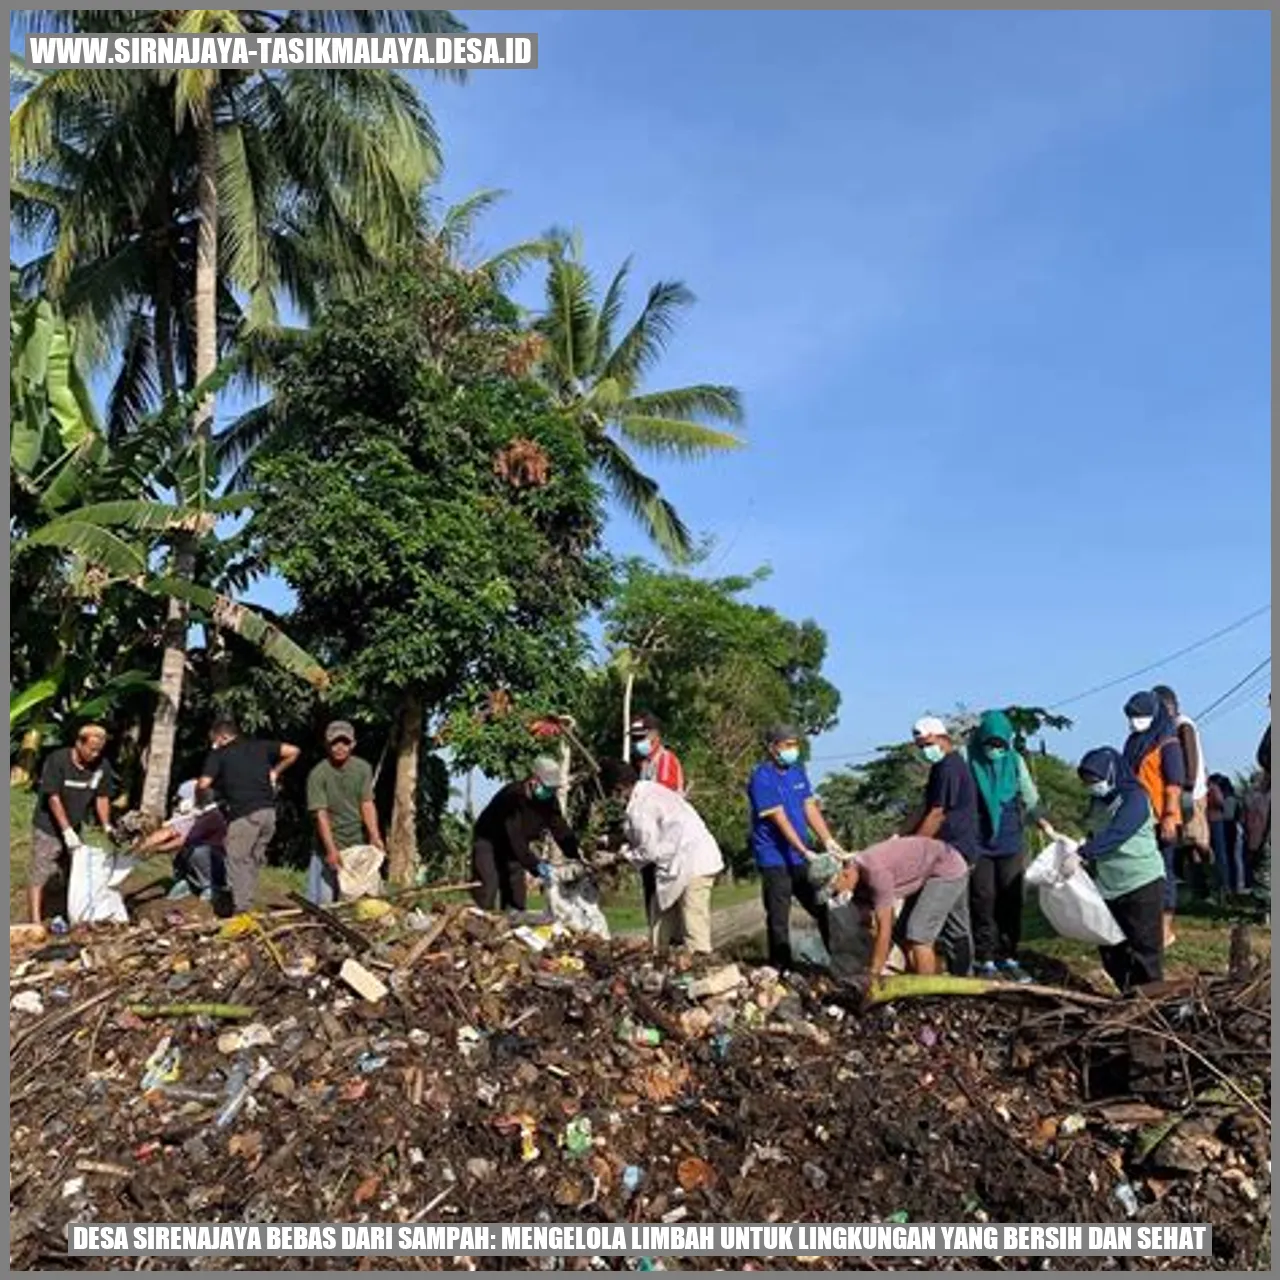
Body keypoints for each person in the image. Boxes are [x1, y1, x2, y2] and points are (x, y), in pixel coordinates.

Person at [1067, 747, 1166, 992]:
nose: (1093, 786)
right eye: (1088, 782)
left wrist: (1083, 853)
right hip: (1108, 886)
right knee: (1111, 947)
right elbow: (1096, 832)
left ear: (1111, 773)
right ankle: (1127, 993)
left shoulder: (1135, 799)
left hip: (1141, 883)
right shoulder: (1098, 801)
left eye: (1096, 780)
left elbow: (1118, 833)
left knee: (1144, 948)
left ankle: (1152, 999)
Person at [963, 710, 1052, 983]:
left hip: (1010, 841)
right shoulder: (968, 759)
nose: (995, 750)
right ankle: (985, 957)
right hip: (979, 842)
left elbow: (1030, 797)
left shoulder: (1015, 762)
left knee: (1011, 898)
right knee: (983, 898)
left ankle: (1009, 955)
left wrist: (1046, 827)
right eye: (991, 744)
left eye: (1000, 744)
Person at [600, 759, 723, 954]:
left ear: (618, 788)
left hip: (694, 861)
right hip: (679, 859)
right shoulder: (649, 790)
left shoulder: (641, 806)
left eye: (613, 793)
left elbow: (648, 850)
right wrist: (612, 840)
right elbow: (644, 833)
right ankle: (659, 957)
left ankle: (701, 967)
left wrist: (615, 859)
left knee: (693, 921)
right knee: (660, 915)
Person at [747, 724, 842, 971]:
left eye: (795, 744)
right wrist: (804, 851)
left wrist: (828, 841)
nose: (793, 749)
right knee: (779, 917)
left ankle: (839, 961)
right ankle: (782, 969)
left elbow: (809, 808)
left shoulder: (798, 773)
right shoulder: (762, 778)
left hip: (801, 858)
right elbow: (780, 820)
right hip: (775, 858)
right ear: (772, 748)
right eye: (787, 745)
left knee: (823, 909)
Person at [197, 718, 300, 915]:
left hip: (245, 815)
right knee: (252, 860)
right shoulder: (260, 746)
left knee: (236, 859)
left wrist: (200, 802)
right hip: (268, 814)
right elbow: (293, 751)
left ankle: (242, 910)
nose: (214, 745)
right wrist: (275, 772)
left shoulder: (220, 754)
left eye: (215, 740)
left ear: (223, 736)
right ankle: (247, 901)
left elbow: (203, 784)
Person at [831, 836, 970, 980]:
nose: (838, 895)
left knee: (919, 933)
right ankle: (913, 981)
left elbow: (884, 929)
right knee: (902, 933)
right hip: (927, 870)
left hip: (946, 868)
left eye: (836, 891)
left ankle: (929, 993)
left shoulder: (876, 873)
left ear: (845, 874)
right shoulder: (858, 869)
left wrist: (874, 973)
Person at [908, 715, 978, 975]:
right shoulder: (941, 768)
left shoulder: (950, 767)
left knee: (919, 929)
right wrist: (899, 838)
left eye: (927, 744)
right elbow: (924, 808)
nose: (924, 751)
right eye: (920, 746)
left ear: (942, 738)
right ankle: (964, 975)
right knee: (957, 921)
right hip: (953, 852)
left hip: (953, 853)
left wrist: (914, 848)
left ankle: (933, 984)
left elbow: (937, 813)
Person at [27, 724, 115, 924]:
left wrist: (106, 825)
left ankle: (67, 912)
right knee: (41, 870)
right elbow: (53, 797)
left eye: (99, 750)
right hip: (48, 825)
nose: (95, 754)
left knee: (71, 871)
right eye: (91, 749)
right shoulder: (58, 760)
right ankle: (34, 921)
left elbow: (102, 798)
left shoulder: (102, 766)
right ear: (79, 743)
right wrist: (65, 830)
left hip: (74, 824)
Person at [470, 757, 581, 912]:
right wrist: (536, 866)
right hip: (489, 841)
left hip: (515, 848)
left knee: (516, 896)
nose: (550, 792)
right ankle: (478, 924)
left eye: (553, 789)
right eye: (547, 788)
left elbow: (560, 828)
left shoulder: (549, 801)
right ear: (534, 781)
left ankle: (512, 928)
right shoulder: (512, 797)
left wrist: (575, 855)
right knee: (488, 886)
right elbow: (514, 836)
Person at [1121, 691, 1186, 948]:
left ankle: (1165, 928)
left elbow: (1174, 783)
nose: (1135, 721)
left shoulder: (1168, 743)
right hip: (1137, 819)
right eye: (1131, 716)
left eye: (1140, 716)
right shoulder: (1133, 743)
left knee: (1164, 872)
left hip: (1162, 816)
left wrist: (1170, 816)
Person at [306, 721, 385, 906]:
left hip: (355, 843)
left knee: (359, 899)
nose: (340, 747)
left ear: (353, 744)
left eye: (345, 742)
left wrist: (374, 835)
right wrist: (331, 849)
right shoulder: (318, 774)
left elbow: (367, 803)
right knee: (323, 903)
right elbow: (321, 814)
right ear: (327, 744)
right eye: (335, 743)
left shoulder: (362, 768)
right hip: (327, 845)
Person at [629, 712, 687, 942]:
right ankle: (658, 944)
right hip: (650, 841)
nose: (637, 743)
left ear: (655, 735)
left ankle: (671, 945)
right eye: (634, 738)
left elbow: (658, 802)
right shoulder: (643, 765)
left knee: (667, 898)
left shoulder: (665, 761)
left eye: (641, 737)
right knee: (652, 897)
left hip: (666, 842)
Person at [1153, 685, 1212, 894]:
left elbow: (1191, 757)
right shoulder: (1170, 727)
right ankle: (1198, 886)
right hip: (1182, 790)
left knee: (1196, 839)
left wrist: (1186, 785)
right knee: (1185, 842)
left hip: (1190, 792)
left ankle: (1212, 873)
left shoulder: (1183, 725)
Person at [132, 780, 228, 901]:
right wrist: (142, 846)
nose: (178, 802)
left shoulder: (211, 816)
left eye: (182, 798)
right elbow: (169, 831)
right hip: (202, 857)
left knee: (195, 850)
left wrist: (156, 849)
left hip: (217, 863)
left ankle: (210, 886)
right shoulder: (192, 815)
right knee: (180, 849)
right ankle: (187, 881)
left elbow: (182, 840)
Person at [1207, 773, 1245, 898]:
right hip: (1230, 827)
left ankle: (1227, 886)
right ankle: (1234, 886)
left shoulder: (1215, 791)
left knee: (1225, 857)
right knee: (1233, 858)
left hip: (1224, 826)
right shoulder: (1232, 798)